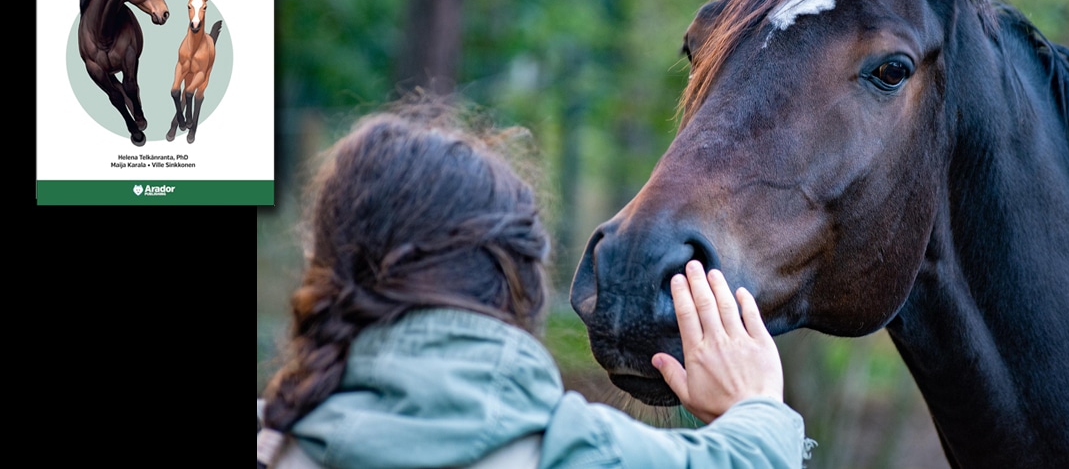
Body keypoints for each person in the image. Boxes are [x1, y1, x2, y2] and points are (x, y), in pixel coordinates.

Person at [257, 104, 816, 468]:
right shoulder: (592, 455)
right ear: (520, 281)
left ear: (327, 275)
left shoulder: (274, 445)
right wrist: (756, 410)